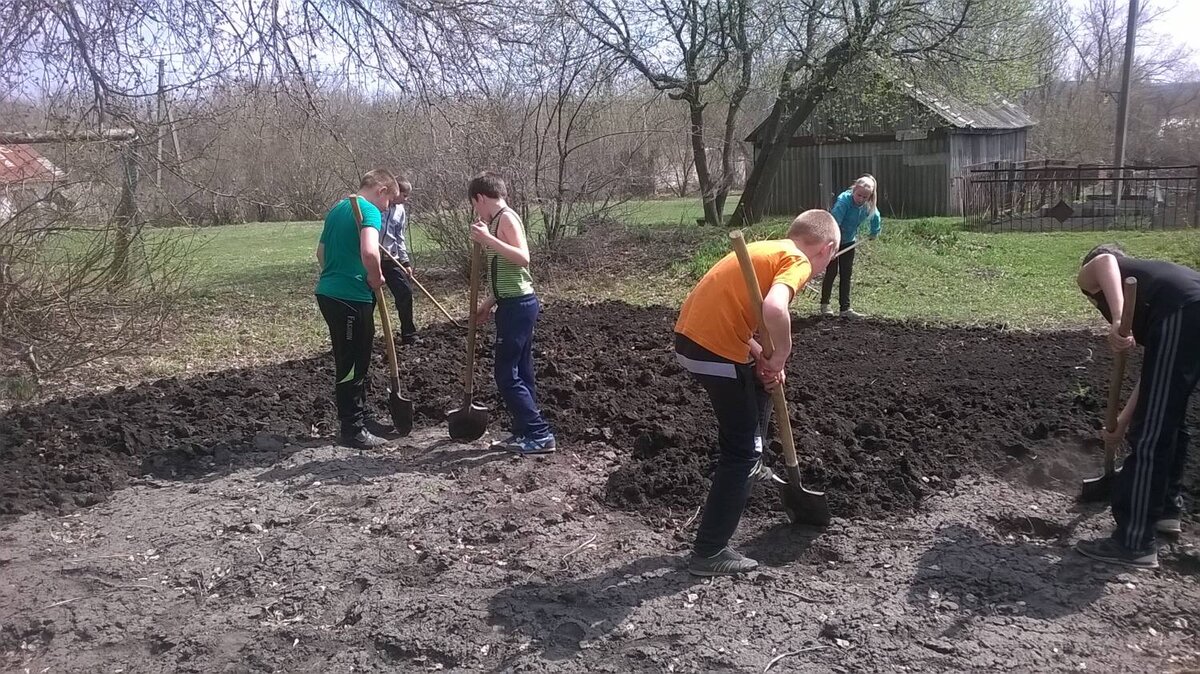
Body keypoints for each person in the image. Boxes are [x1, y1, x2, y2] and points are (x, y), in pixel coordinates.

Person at [673, 209, 840, 576]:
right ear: (826, 249)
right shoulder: (797, 261)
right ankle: (709, 551)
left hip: (697, 339)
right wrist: (780, 355)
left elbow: (735, 310)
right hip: (711, 349)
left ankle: (757, 458)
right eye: (831, 259)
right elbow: (774, 308)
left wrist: (760, 356)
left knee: (759, 381)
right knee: (740, 452)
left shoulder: (773, 249)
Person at [1075, 244, 1200, 569]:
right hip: (1191, 312)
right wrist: (1120, 422)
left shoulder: (1095, 273)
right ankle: (1166, 511)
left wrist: (1117, 319)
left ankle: (1134, 541)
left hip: (1186, 310)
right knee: (1168, 416)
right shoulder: (1153, 291)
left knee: (1152, 431)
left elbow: (1104, 260)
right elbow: (1152, 381)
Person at [467, 171, 556, 455]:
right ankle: (523, 431)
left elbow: (522, 258)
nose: (475, 211)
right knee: (521, 370)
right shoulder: (496, 222)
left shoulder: (506, 218)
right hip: (510, 303)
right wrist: (489, 302)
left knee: (506, 374)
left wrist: (488, 240)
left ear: (481, 198)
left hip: (519, 306)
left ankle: (540, 434)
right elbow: (507, 274)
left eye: (474, 204)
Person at [314, 169, 400, 449]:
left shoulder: (338, 208)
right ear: (381, 191)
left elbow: (321, 254)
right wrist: (374, 277)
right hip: (351, 297)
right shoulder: (370, 212)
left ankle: (361, 417)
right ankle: (353, 430)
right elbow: (370, 252)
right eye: (390, 201)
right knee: (352, 363)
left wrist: (337, 273)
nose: (387, 208)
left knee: (354, 360)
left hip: (329, 293)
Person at [820, 175, 882, 318]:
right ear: (854, 190)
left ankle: (845, 309)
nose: (860, 199)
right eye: (859, 195)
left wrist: (874, 232)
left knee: (846, 274)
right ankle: (825, 305)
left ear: (870, 197)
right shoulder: (844, 201)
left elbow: (875, 217)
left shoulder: (869, 205)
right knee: (831, 272)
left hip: (849, 241)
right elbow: (835, 221)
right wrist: (834, 244)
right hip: (832, 238)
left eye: (865, 197)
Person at [381, 177, 420, 345]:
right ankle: (365, 337)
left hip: (392, 259)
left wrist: (405, 262)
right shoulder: (377, 207)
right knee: (370, 299)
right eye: (404, 195)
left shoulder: (400, 211)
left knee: (405, 292)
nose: (405, 199)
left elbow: (399, 237)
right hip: (372, 257)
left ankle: (408, 334)